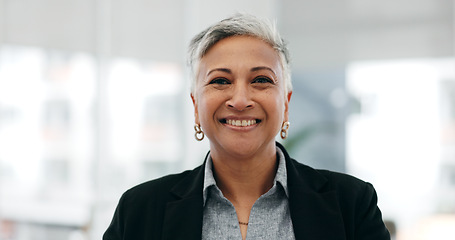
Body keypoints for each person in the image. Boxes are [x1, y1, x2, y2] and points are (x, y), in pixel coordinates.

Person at [103, 13, 390, 240]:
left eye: (261, 80)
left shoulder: (351, 205)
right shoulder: (139, 211)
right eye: (220, 81)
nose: (240, 100)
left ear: (286, 103)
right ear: (195, 106)